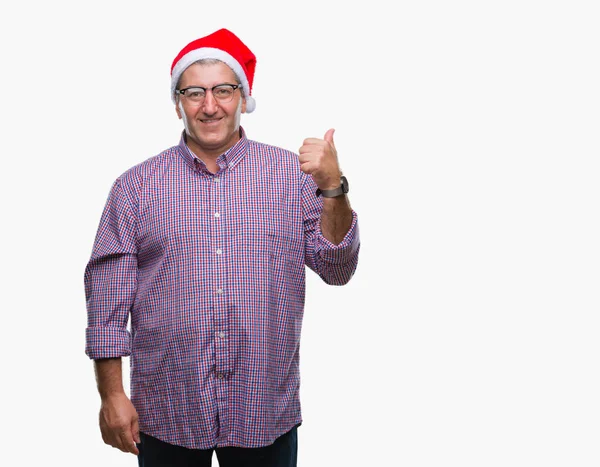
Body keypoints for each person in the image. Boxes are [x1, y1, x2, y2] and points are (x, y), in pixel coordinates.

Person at [84, 28, 360, 467]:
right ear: (178, 102)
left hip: (263, 410)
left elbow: (338, 268)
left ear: (243, 98)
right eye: (194, 92)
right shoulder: (135, 187)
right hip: (167, 411)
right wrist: (112, 395)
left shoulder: (292, 176)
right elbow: (107, 302)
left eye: (223, 90)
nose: (209, 106)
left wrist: (332, 187)